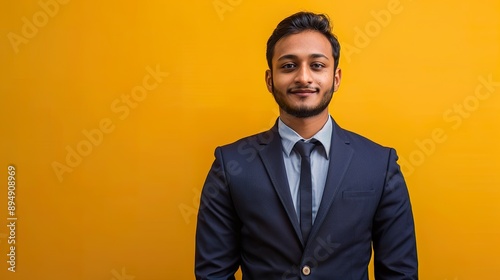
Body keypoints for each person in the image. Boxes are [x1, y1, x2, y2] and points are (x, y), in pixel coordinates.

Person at [195, 11, 418, 280]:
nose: (303, 77)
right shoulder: (231, 165)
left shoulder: (379, 165)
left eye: (317, 65)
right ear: (269, 79)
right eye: (289, 66)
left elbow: (399, 273)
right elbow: (212, 273)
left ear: (335, 78)